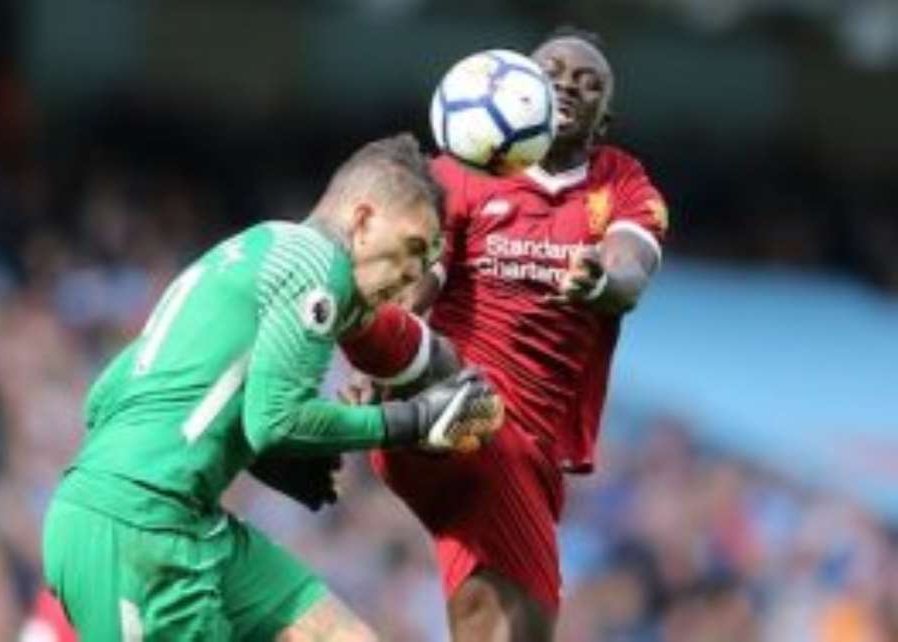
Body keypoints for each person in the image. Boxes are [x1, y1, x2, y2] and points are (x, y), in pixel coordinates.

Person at [41, 133, 503, 642]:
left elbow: (104, 397)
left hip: (182, 521)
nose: (413, 273)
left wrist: (269, 458)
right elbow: (277, 420)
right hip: (136, 532)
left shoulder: (254, 249)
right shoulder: (317, 265)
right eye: (411, 247)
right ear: (362, 219)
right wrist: (415, 421)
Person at [340, 27, 670, 641]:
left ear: (604, 118)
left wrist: (604, 281)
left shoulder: (620, 182)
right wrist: (376, 359)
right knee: (451, 380)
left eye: (588, 83)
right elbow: (421, 280)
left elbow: (631, 268)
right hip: (455, 408)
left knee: (510, 625)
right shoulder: (459, 174)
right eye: (554, 73)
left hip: (528, 452)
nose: (568, 86)